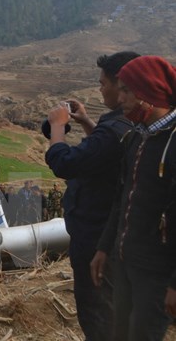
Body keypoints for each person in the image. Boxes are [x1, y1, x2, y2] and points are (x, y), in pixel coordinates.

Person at [45, 51, 139, 340]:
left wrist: (58, 127)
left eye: (103, 83)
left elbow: (65, 163)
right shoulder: (128, 125)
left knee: (98, 314)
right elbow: (106, 152)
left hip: (96, 236)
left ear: (120, 85)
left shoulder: (114, 131)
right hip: (116, 235)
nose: (100, 89)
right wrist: (85, 120)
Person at [90, 55, 176, 340]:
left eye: (127, 90)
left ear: (149, 93)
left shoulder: (172, 143)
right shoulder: (136, 138)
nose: (121, 96)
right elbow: (121, 198)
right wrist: (104, 248)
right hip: (126, 261)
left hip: (156, 273)